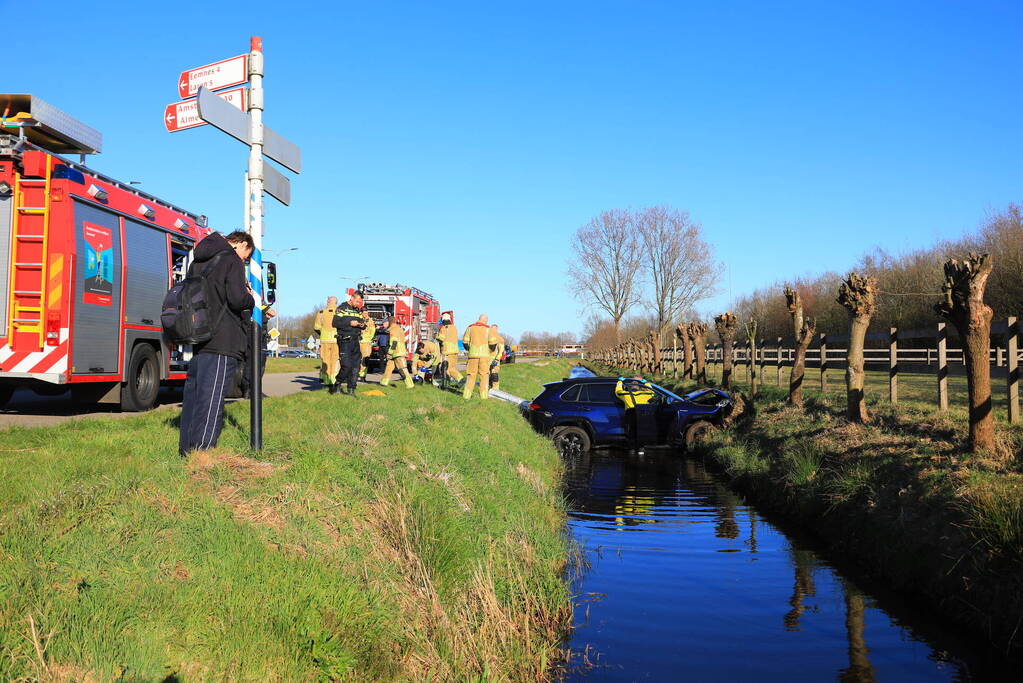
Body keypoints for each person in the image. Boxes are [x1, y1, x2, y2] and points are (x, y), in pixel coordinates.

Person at [179, 231, 254, 456]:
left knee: (195, 396)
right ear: (240, 244)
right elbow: (237, 298)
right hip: (224, 338)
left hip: (200, 336)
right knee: (212, 399)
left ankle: (186, 450)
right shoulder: (231, 260)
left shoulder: (199, 260)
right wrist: (249, 295)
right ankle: (202, 453)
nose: (244, 261)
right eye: (246, 256)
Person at [332, 290, 366, 395]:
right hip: (345, 340)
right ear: (351, 298)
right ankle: (337, 384)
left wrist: (362, 325)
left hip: (356, 341)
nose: (358, 304)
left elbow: (362, 324)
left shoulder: (358, 311)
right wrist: (350, 323)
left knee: (356, 367)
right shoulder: (342, 308)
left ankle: (351, 390)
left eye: (359, 302)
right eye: (356, 301)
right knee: (346, 366)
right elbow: (335, 323)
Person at [614, 376, 659, 451]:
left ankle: (631, 448)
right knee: (641, 431)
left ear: (630, 388)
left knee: (631, 431)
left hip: (630, 414)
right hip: (641, 414)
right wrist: (645, 382)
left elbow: (617, 391)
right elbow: (652, 392)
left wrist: (620, 382)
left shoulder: (625, 394)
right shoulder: (644, 394)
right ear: (639, 387)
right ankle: (641, 449)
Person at [462, 314, 498, 399]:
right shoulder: (488, 329)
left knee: (471, 376)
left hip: (472, 356)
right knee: (484, 376)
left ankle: (466, 396)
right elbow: (493, 343)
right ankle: (483, 397)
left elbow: (464, 342)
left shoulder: (470, 328)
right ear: (485, 320)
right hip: (484, 356)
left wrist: (470, 350)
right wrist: (489, 351)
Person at [313, 296, 340, 392]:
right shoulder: (340, 312)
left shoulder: (321, 313)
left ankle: (327, 381)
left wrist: (322, 334)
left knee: (325, 361)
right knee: (334, 361)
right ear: (336, 302)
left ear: (328, 302)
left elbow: (316, 327)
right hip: (336, 340)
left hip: (324, 340)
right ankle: (333, 381)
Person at [380, 316, 414, 388]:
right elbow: (404, 341)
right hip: (398, 351)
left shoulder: (393, 330)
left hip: (397, 352)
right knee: (389, 366)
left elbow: (394, 342)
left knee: (402, 369)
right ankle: (384, 383)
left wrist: (390, 352)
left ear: (389, 322)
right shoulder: (398, 328)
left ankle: (410, 385)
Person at [435, 312, 463, 387]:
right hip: (455, 351)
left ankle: (460, 379)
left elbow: (441, 338)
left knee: (448, 369)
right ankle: (448, 383)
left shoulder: (444, 328)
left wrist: (436, 336)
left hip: (447, 351)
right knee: (452, 367)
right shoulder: (454, 327)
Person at [358, 312, 377, 381]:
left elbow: (373, 331)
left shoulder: (370, 321)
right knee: (356, 359)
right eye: (364, 313)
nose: (366, 315)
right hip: (358, 342)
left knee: (365, 359)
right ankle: (356, 374)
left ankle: (362, 375)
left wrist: (369, 339)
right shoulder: (358, 319)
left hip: (366, 342)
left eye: (367, 313)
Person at [488, 324, 505, 392]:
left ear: (496, 329)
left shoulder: (500, 339)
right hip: (486, 360)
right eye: (491, 329)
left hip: (495, 360)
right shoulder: (487, 338)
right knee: (486, 375)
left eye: (493, 329)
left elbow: (501, 350)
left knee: (494, 374)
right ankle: (488, 387)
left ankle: (496, 389)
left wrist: (497, 359)